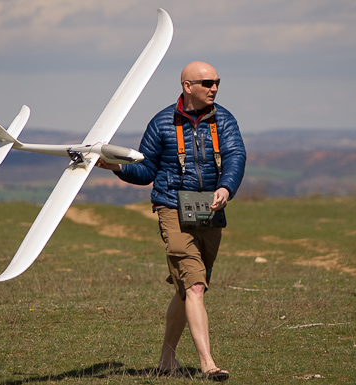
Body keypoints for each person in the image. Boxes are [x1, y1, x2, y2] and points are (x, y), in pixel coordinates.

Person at [96, 61, 246, 381]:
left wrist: (226, 187)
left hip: (210, 209)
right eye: (206, 82)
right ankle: (208, 364)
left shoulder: (224, 119)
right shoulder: (162, 122)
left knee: (188, 289)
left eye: (217, 81)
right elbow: (147, 170)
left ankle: (166, 359)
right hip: (171, 209)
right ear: (187, 86)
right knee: (193, 284)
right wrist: (118, 168)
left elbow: (236, 155)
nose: (214, 88)